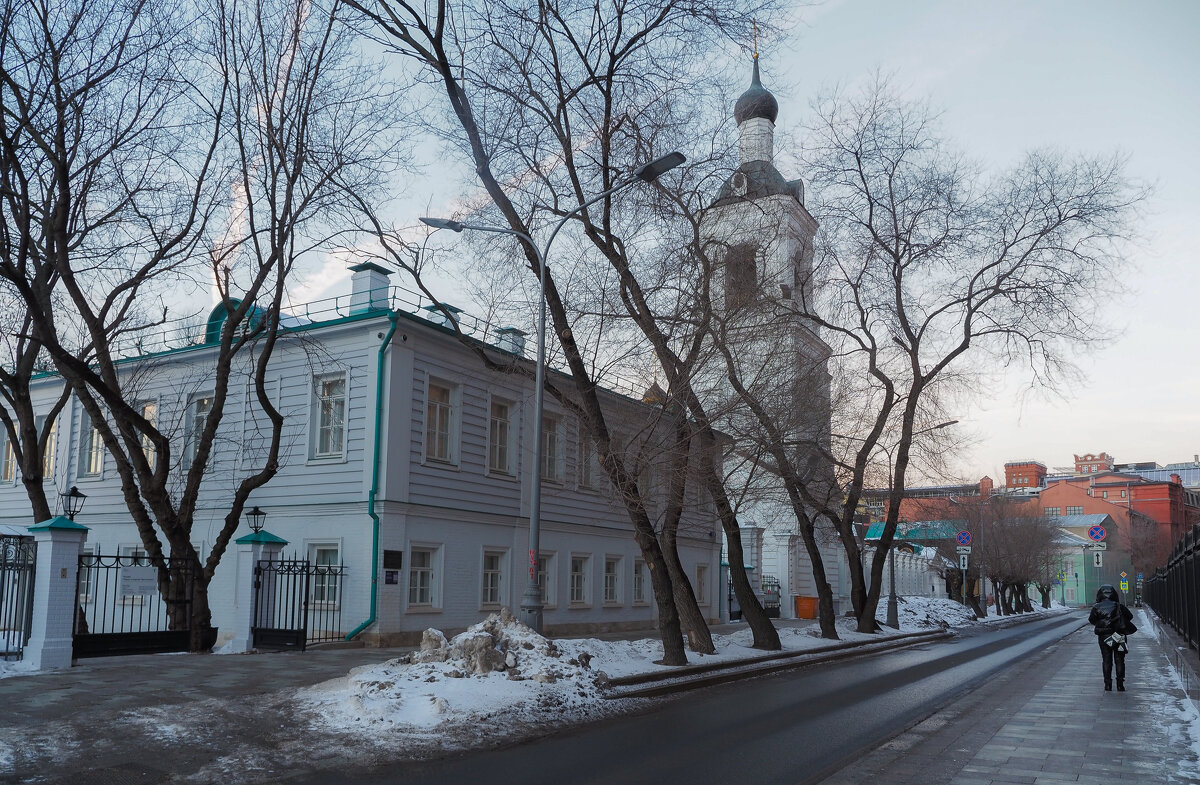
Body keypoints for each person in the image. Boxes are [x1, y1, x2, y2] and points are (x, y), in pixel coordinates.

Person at [1088, 584, 1136, 691]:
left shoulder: (1096, 607)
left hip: (1103, 636)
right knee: (1119, 660)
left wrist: (1102, 623)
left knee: (1106, 660)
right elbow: (1130, 617)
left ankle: (1107, 684)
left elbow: (1091, 620)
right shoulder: (1119, 606)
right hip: (1119, 635)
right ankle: (1120, 684)